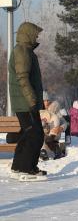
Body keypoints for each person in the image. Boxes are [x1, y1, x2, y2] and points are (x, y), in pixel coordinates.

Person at [8, 22, 47, 181]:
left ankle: (19, 166)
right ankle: (25, 168)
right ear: (28, 34)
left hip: (26, 101)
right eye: (35, 34)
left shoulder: (25, 51)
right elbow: (23, 77)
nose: (37, 37)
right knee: (35, 135)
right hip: (25, 102)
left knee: (29, 134)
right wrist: (32, 101)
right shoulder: (22, 51)